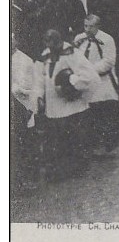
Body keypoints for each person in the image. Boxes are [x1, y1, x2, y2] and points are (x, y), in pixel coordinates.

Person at [33, 29, 99, 180]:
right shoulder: (44, 56)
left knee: (73, 138)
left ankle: (77, 167)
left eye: (54, 42)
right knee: (57, 139)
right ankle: (60, 169)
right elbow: (38, 79)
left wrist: (71, 83)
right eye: (47, 42)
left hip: (71, 105)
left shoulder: (72, 53)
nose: (51, 46)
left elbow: (90, 76)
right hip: (54, 107)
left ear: (60, 41)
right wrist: (38, 96)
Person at [73, 15, 119, 154]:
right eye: (85, 26)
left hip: (102, 81)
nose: (87, 29)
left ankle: (108, 145)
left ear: (98, 26)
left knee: (105, 112)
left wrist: (90, 71)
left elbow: (108, 61)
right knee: (90, 114)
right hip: (86, 82)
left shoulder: (107, 39)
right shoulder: (79, 39)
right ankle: (93, 144)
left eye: (91, 26)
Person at [11, 33, 37, 193]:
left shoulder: (24, 61)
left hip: (20, 108)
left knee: (19, 145)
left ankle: (22, 182)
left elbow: (26, 89)